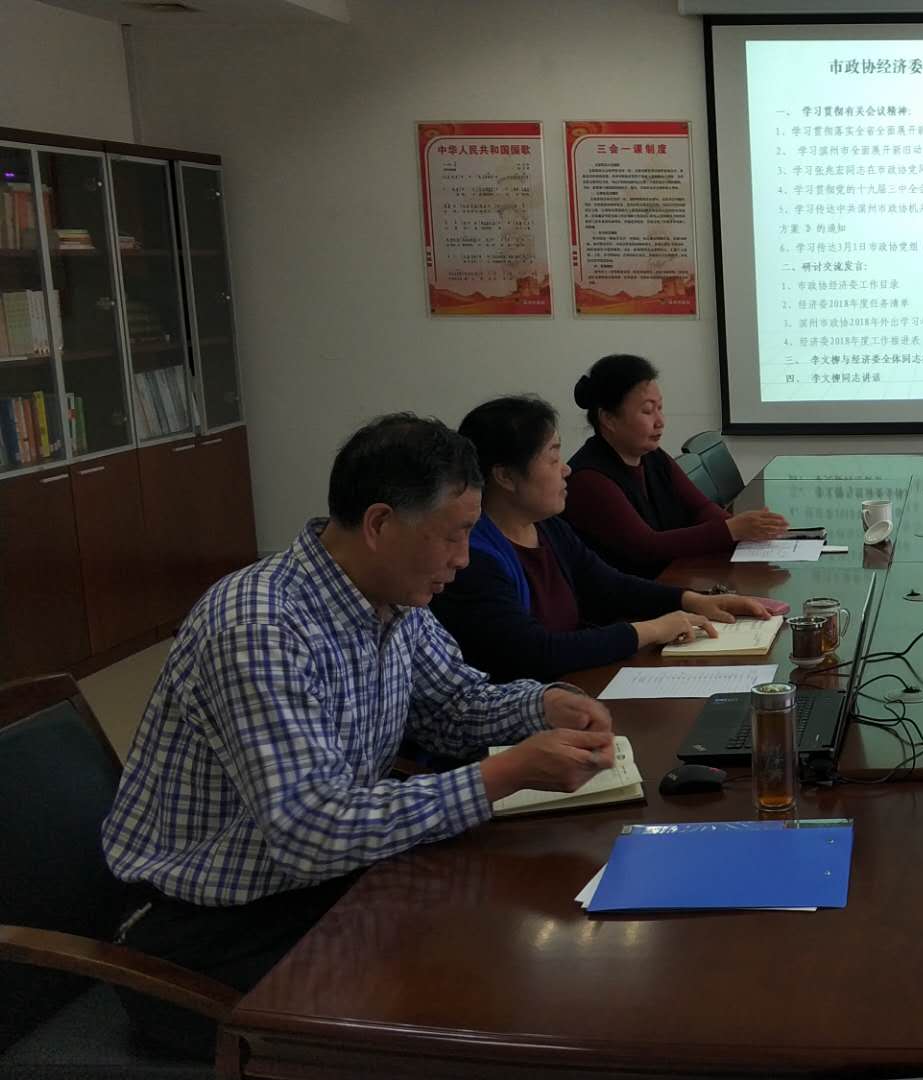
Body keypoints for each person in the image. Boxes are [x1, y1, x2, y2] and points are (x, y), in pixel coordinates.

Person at [100, 414, 623, 1059]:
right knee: (469, 1005)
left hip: (322, 884)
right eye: (454, 535)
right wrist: (505, 773)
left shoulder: (394, 598)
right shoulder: (260, 626)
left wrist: (544, 704)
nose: (464, 558)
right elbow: (311, 829)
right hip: (203, 936)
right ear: (379, 525)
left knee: (512, 938)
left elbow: (455, 703)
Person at [432, 395, 769, 682]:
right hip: (534, 707)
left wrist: (692, 600)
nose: (565, 469)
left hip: (575, 685)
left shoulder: (547, 527)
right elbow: (536, 652)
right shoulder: (473, 557)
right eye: (553, 458)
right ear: (505, 476)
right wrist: (650, 630)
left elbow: (608, 586)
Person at [563, 353, 786, 576]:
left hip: (671, 577)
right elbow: (646, 547)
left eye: (660, 408)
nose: (660, 421)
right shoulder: (589, 479)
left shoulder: (653, 456)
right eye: (647, 411)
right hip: (633, 592)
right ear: (608, 419)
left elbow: (700, 507)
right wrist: (731, 530)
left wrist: (745, 530)